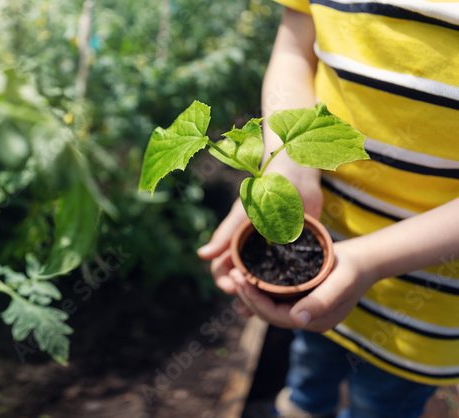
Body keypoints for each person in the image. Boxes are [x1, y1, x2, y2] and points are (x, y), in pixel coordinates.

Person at [195, 1, 459, 417]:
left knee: (379, 402)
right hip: (325, 250)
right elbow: (294, 49)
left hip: (424, 313)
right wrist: (287, 166)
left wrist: (369, 261)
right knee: (310, 363)